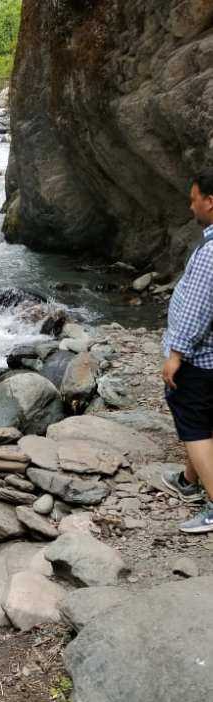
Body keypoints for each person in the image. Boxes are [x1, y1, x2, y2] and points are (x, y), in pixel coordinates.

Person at [161, 170, 213, 533]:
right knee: (205, 420)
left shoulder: (211, 253)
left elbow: (198, 310)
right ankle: (188, 481)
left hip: (200, 358)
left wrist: (176, 354)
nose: (190, 203)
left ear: (210, 201)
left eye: (194, 197)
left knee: (194, 427)